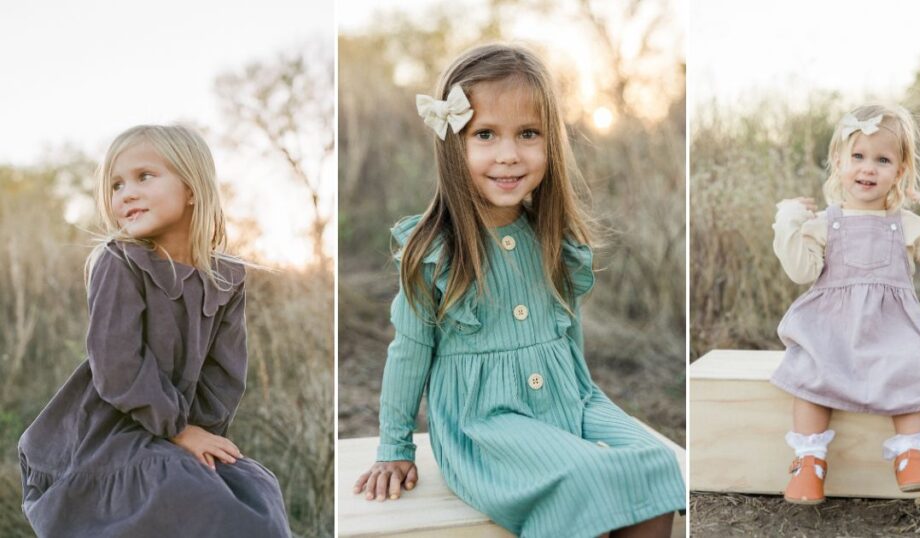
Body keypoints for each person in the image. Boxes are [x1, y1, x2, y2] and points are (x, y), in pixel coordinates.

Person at [351, 44, 686, 537]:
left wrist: (588, 403)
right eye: (485, 134)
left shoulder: (554, 238)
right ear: (453, 144)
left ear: (551, 142)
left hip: (569, 398)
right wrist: (395, 448)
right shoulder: (434, 251)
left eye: (528, 134)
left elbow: (569, 335)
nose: (508, 155)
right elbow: (409, 352)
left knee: (656, 462)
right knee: (585, 476)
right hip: (485, 424)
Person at [18, 125, 291, 537]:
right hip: (112, 432)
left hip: (175, 431)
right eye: (115, 185)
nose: (125, 193)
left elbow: (225, 373)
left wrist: (202, 435)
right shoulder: (119, 262)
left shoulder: (224, 278)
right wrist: (177, 430)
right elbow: (116, 365)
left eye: (144, 176)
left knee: (255, 493)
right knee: (196, 500)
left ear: (192, 189)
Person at [771, 104, 920, 504]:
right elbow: (801, 270)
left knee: (913, 368)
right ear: (838, 162)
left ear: (900, 170)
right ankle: (809, 463)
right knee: (809, 374)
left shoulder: (903, 223)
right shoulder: (827, 222)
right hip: (832, 331)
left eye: (882, 160)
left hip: (891, 331)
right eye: (858, 156)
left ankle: (910, 453)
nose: (868, 168)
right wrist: (787, 223)